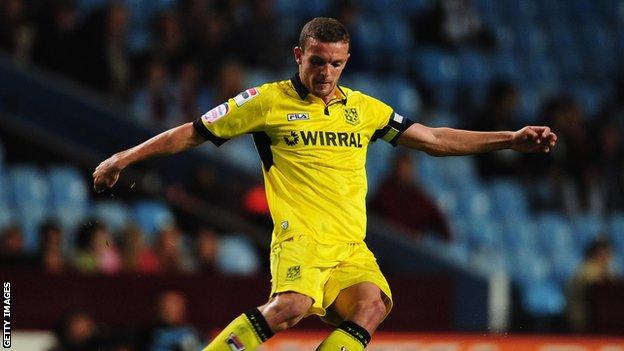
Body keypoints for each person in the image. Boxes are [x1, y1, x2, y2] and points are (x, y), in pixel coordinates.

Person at [93, 17, 557, 351]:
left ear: (347, 60)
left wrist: (510, 140)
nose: (326, 73)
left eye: (336, 64)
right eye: (317, 61)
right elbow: (190, 131)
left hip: (349, 244)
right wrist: (124, 157)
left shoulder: (365, 110)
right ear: (299, 55)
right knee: (290, 306)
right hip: (301, 237)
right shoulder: (265, 101)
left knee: (372, 306)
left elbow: (434, 138)